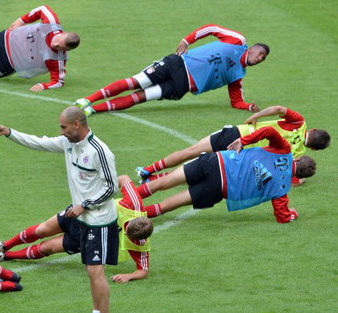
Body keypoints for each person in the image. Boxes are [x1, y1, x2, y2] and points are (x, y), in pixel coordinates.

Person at [0, 106, 119, 313]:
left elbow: (111, 187)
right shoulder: (69, 144)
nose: (62, 132)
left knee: (96, 272)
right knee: (90, 271)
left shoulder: (99, 151)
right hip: (80, 218)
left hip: (98, 222)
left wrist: (85, 204)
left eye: (64, 127)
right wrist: (9, 132)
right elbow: (40, 142)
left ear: (77, 124)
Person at [0, 174, 153, 284]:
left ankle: (5, 256)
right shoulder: (133, 203)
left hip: (88, 238)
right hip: (80, 214)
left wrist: (128, 276)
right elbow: (123, 178)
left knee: (47, 248)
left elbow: (143, 271)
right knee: (42, 230)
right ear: (132, 221)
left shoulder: (140, 241)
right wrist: (101, 192)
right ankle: (5, 245)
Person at [74, 24, 268, 115]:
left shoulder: (238, 75)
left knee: (140, 97)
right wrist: (187, 40)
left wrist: (248, 106)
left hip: (182, 86)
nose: (259, 59)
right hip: (178, 64)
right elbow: (211, 29)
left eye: (263, 59)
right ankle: (87, 100)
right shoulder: (238, 41)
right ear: (251, 49)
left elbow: (236, 101)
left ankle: (91, 111)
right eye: (259, 54)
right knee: (136, 82)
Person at [135, 126, 317, 223]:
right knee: (171, 204)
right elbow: (282, 216)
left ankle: (130, 198)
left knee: (166, 181)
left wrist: (243, 140)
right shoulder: (282, 188)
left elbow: (269, 131)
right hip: (219, 188)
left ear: (297, 160)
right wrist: (293, 214)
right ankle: (135, 217)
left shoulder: (284, 150)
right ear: (300, 176)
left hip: (217, 163)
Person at [137, 106, 330, 186]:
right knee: (196, 167)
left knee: (190, 151)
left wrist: (257, 115)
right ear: (313, 149)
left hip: (238, 134)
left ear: (312, 129)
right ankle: (153, 181)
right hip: (243, 156)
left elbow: (279, 109)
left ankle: (148, 170)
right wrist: (301, 180)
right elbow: (292, 177)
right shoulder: (297, 154)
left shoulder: (299, 122)